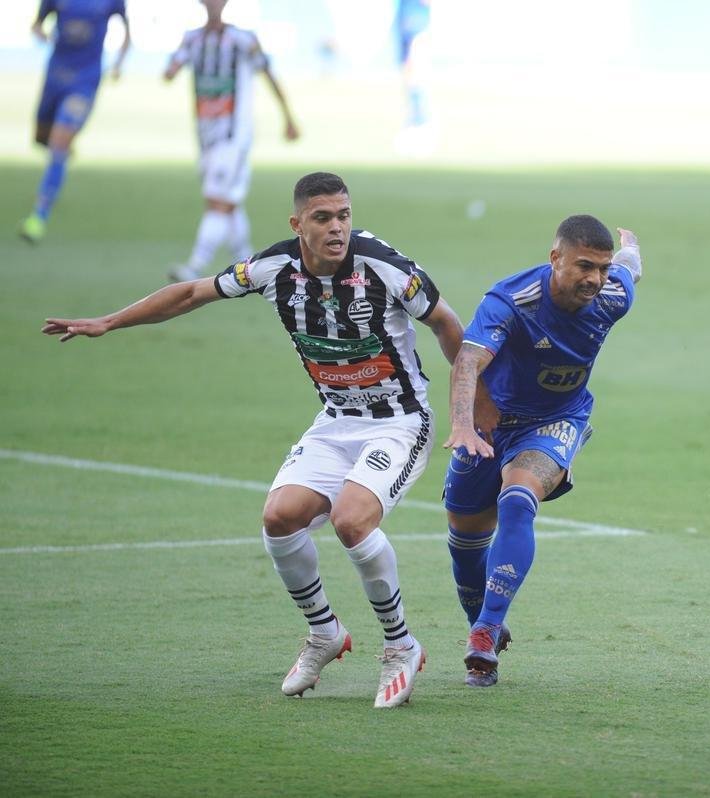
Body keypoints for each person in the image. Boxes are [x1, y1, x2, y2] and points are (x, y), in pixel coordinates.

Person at [43, 172, 469, 708]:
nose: (337, 228)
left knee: (352, 520)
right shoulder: (272, 268)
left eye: (343, 215)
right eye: (322, 218)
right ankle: (325, 633)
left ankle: (401, 645)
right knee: (278, 518)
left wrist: (469, 407)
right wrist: (109, 321)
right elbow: (193, 292)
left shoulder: (383, 266)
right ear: (298, 224)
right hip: (336, 420)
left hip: (399, 421)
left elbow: (448, 323)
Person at [441, 215, 643, 687]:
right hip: (490, 425)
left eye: (602, 267)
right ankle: (482, 618)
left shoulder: (612, 295)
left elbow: (631, 270)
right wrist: (463, 423)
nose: (595, 279)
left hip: (556, 421)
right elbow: (469, 359)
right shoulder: (512, 300)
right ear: (555, 259)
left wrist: (631, 250)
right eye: (583, 266)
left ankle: (486, 631)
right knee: (466, 541)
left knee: (518, 498)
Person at [165, 0, 300, 283]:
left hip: (234, 135)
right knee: (229, 202)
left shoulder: (243, 40)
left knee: (218, 201)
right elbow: (170, 71)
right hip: (205, 135)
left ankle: (195, 266)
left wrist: (287, 116)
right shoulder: (192, 39)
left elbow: (268, 74)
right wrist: (172, 68)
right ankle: (250, 264)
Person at [18, 0, 130, 244]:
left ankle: (39, 216)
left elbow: (127, 31)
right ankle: (61, 158)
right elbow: (37, 25)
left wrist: (119, 63)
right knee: (43, 140)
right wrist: (43, 36)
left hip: (85, 81)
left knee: (58, 144)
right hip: (55, 77)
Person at [392, 0, 435, 154]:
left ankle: (421, 126)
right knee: (409, 76)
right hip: (404, 18)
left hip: (417, 21)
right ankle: (413, 123)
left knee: (417, 75)